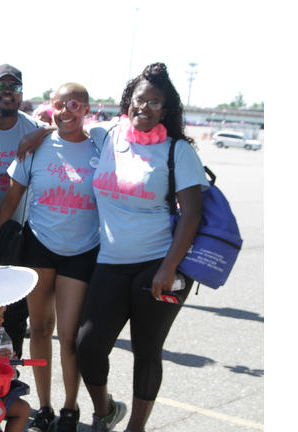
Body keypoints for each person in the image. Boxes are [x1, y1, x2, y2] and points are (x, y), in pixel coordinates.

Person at [74, 63, 209, 432]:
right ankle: (106, 411)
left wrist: (168, 268)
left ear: (166, 109)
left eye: (154, 102)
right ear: (127, 101)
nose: (144, 108)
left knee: (146, 351)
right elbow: (68, 132)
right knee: (87, 345)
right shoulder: (107, 136)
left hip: (158, 265)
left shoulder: (177, 150)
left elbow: (193, 214)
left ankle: (136, 427)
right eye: (139, 100)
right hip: (110, 261)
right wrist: (37, 137)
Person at [0, 83, 100, 432]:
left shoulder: (101, 144)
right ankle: (45, 407)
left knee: (68, 336)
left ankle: (69, 408)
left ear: (86, 108)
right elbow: (10, 200)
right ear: (50, 107)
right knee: (38, 327)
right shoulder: (35, 148)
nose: (67, 111)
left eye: (75, 105)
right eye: (59, 105)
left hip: (81, 250)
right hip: (39, 246)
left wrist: (47, 127)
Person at [0, 64, 46, 378]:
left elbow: (74, 128)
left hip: (14, 238)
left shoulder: (33, 127)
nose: (7, 91)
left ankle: (8, 381)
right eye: (0, 85)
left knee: (13, 317)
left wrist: (46, 130)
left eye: (14, 87)